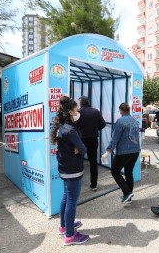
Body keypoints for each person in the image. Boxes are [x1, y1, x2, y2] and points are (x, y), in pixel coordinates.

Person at [51, 96, 89, 246]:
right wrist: (78, 148)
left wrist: (76, 148)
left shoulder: (61, 127)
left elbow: (76, 148)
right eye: (76, 109)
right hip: (73, 169)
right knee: (71, 202)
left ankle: (63, 226)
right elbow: (83, 149)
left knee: (66, 198)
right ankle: (70, 235)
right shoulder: (70, 130)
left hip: (64, 168)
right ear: (70, 112)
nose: (78, 111)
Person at [104, 103, 141, 205]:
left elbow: (115, 138)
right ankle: (128, 196)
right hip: (135, 151)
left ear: (120, 110)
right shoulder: (134, 120)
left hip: (124, 152)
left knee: (115, 171)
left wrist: (108, 150)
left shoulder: (120, 121)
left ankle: (127, 192)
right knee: (128, 172)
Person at [77, 96, 106, 191]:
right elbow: (103, 124)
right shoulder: (95, 111)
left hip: (81, 139)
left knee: (78, 160)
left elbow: (74, 126)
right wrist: (95, 128)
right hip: (93, 138)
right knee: (93, 162)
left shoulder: (78, 112)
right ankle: (94, 184)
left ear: (81, 103)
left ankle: (77, 183)